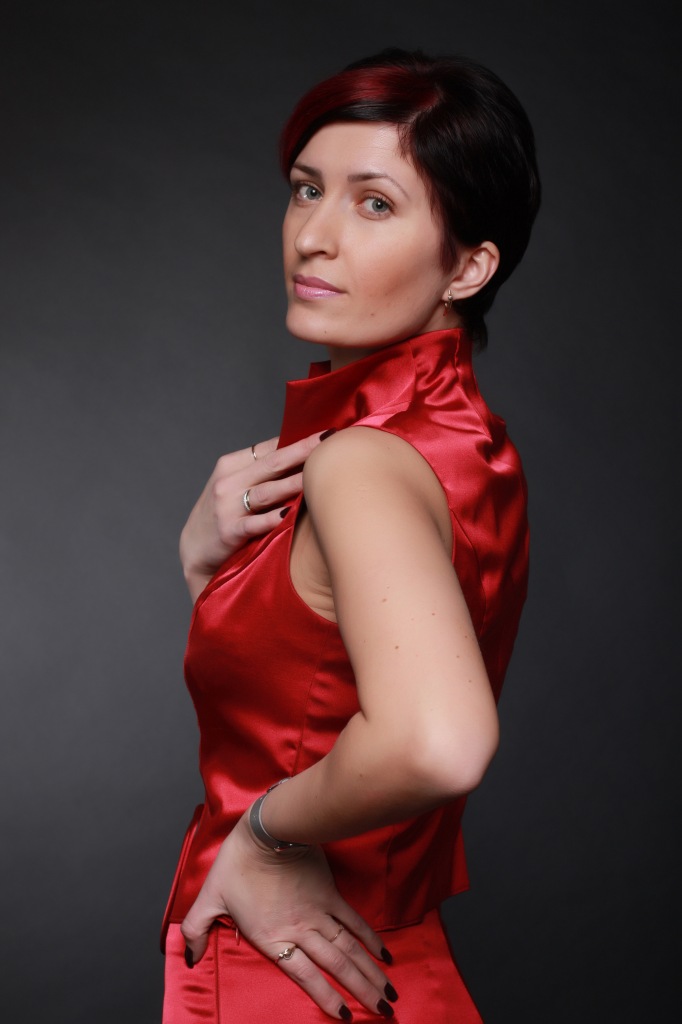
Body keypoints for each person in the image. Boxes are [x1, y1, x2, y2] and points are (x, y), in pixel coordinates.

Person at [160, 48, 540, 1023]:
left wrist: (266, 836)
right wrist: (210, 568)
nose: (314, 237)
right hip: (385, 962)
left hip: (293, 972)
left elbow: (437, 741)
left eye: (374, 203)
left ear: (469, 264)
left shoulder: (360, 463)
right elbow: (311, 689)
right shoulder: (467, 445)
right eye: (306, 189)